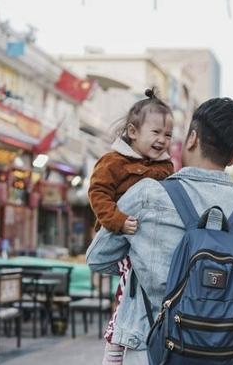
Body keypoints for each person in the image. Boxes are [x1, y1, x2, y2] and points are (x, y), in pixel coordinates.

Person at [86, 97, 233, 365]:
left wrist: (142, 256)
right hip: (225, 356)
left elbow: (98, 258)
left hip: (149, 352)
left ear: (191, 138)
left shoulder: (145, 194)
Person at [87, 88, 175, 365]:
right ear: (133, 132)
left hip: (150, 243)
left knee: (143, 303)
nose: (162, 140)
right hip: (122, 238)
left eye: (168, 135)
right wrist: (117, 221)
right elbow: (98, 193)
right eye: (156, 132)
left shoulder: (166, 168)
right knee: (127, 300)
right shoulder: (113, 162)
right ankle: (114, 347)